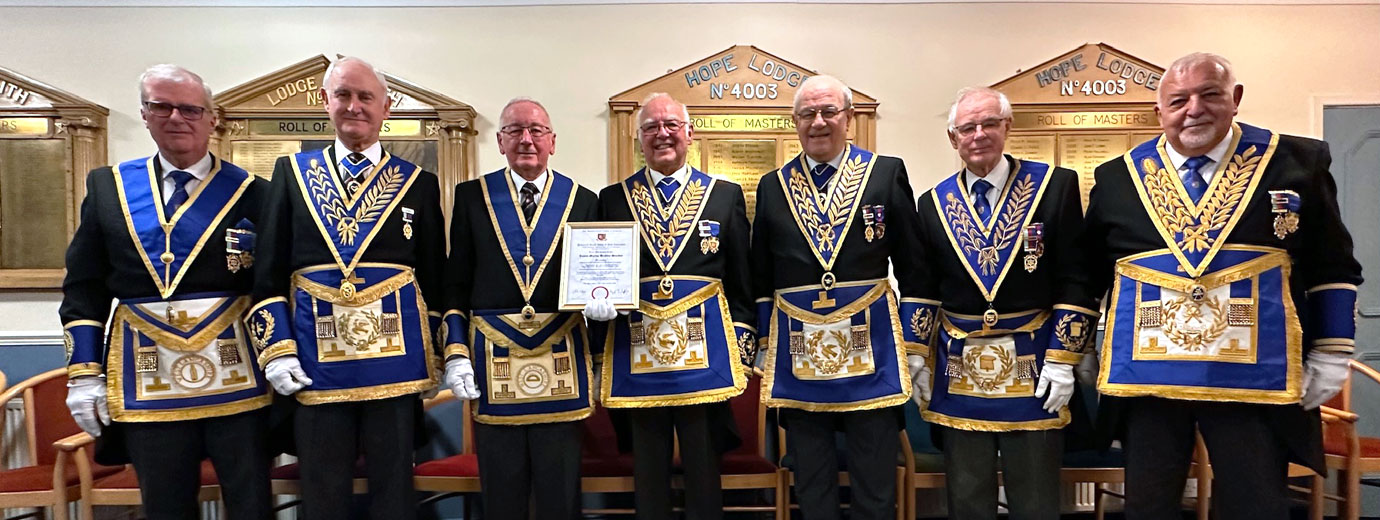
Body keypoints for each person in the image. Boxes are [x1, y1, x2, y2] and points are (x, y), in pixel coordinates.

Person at [1079, 52, 1360, 520]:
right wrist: (1085, 346)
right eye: (1178, 100)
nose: (1194, 109)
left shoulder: (1295, 161)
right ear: (1159, 112)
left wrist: (1331, 351)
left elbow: (1332, 264)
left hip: (1252, 378)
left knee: (1255, 502)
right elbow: (1089, 273)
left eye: (1209, 94)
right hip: (1149, 383)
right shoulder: (1116, 177)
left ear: (1235, 99)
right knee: (1148, 504)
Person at [62, 64, 273, 519]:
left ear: (212, 118)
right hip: (147, 376)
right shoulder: (108, 188)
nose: (177, 117)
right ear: (144, 113)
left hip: (238, 378)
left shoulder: (257, 193)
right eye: (162, 106)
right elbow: (85, 287)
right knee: (165, 506)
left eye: (191, 108)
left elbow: (270, 286)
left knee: (250, 503)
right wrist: (83, 371)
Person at [248, 56, 447, 520]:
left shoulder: (420, 184)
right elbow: (269, 272)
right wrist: (276, 348)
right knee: (323, 492)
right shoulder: (291, 174)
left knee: (395, 492)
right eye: (343, 95)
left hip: (394, 372)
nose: (354, 106)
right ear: (325, 101)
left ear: (386, 107)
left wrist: (440, 353)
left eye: (366, 97)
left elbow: (434, 279)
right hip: (316, 368)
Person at [913, 86, 1096, 520]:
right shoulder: (933, 202)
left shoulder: (1054, 186)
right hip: (959, 369)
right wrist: (915, 355)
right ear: (952, 137)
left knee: (1034, 498)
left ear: (1007, 127)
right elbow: (922, 286)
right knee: (968, 496)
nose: (979, 134)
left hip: (1036, 368)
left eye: (989, 123)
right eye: (968, 127)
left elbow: (1077, 276)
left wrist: (1063, 358)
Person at [750, 75, 925, 520]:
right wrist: (765, 346)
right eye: (807, 114)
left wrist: (917, 344)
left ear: (849, 118)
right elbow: (761, 273)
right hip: (800, 354)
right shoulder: (773, 185)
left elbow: (914, 267)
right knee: (812, 482)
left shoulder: (885, 173)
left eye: (829, 112)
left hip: (874, 351)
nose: (818, 122)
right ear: (795, 123)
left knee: (874, 480)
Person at [584, 92, 754, 520]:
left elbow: (742, 278)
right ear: (638, 138)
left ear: (689, 133)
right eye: (651, 128)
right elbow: (601, 269)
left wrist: (745, 343)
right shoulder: (613, 199)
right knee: (648, 470)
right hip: (637, 352)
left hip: (706, 352)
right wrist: (597, 321)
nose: (662, 134)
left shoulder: (724, 194)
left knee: (703, 464)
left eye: (671, 125)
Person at [440, 97, 599, 519]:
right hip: (494, 363)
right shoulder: (472, 197)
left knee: (560, 493)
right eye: (514, 130)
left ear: (553, 142)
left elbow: (598, 272)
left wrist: (603, 319)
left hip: (563, 359)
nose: (526, 140)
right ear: (500, 141)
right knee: (502, 494)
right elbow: (456, 283)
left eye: (536, 131)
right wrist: (455, 352)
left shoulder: (583, 200)